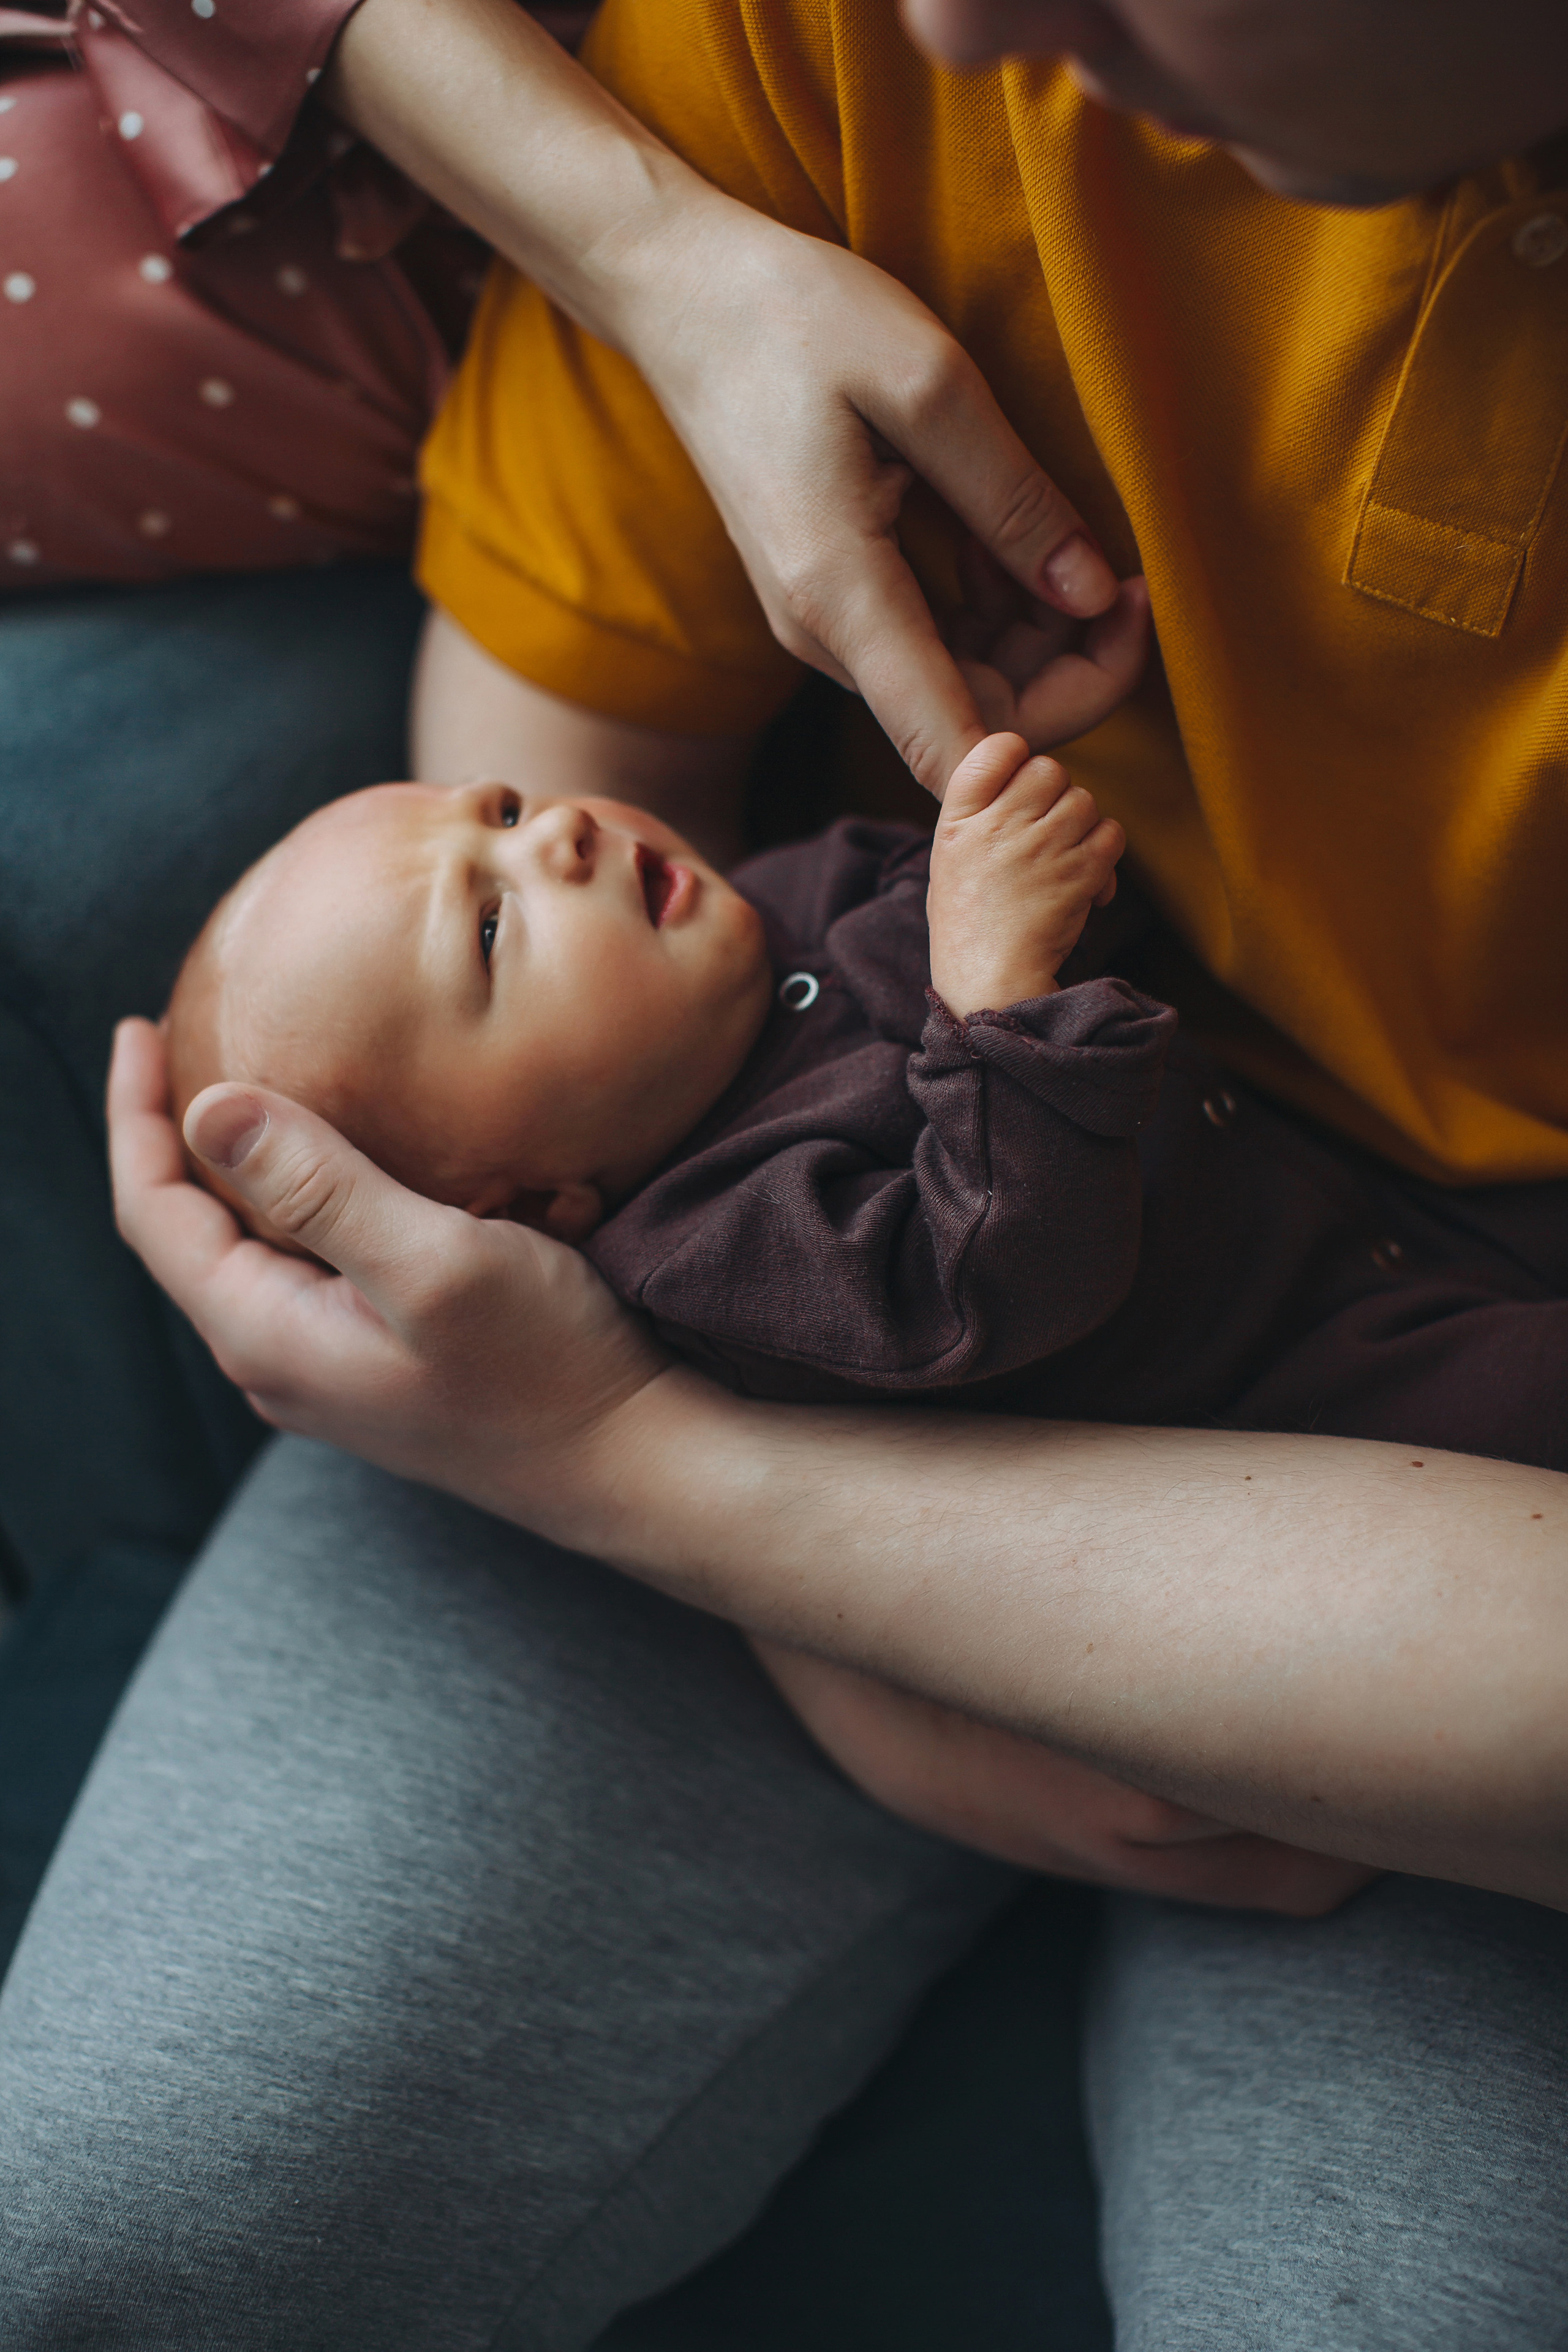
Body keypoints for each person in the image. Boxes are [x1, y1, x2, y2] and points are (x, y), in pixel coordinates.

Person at [4, 5, 1568, 2351]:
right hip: (791, 1404)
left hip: (1392, 1419)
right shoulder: (698, 1200)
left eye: (516, 852)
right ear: (530, 1213)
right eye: (489, 902)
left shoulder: (752, 979)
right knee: (121, 2218)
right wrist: (666, 1497)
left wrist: (642, 1470)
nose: (960, 23)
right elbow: (932, 1240)